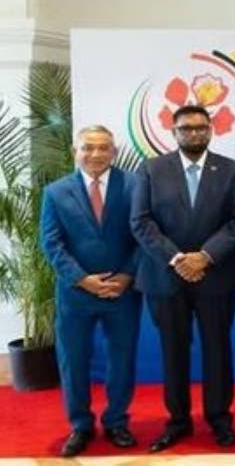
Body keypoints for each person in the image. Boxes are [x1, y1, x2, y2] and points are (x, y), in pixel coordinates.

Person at [131, 104, 235, 451]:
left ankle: (220, 420)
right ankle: (178, 422)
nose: (194, 133)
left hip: (217, 276)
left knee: (218, 350)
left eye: (201, 127)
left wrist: (205, 256)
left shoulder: (232, 170)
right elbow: (141, 221)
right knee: (173, 351)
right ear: (174, 132)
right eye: (186, 128)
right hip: (165, 276)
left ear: (211, 130)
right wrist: (177, 258)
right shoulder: (151, 169)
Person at [39, 125, 140, 457]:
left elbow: (144, 235)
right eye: (88, 148)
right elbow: (51, 243)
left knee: (121, 359)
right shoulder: (55, 192)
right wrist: (83, 279)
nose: (95, 154)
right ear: (75, 152)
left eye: (103, 148)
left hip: (122, 292)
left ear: (113, 152)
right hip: (75, 295)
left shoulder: (135, 185)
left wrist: (126, 276)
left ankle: (116, 422)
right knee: (73, 361)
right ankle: (80, 425)